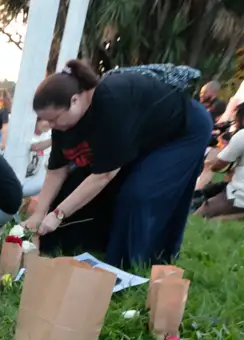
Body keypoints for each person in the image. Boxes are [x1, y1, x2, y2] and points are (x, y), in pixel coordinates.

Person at [25, 59, 212, 267]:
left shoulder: (112, 102)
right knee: (74, 185)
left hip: (183, 131)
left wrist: (58, 214)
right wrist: (39, 214)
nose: (51, 126)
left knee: (138, 194)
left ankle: (134, 263)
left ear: (75, 100)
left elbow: (104, 175)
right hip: (145, 134)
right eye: (47, 121)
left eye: (54, 119)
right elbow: (56, 171)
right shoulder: (64, 121)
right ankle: (81, 245)